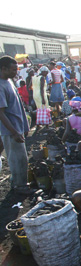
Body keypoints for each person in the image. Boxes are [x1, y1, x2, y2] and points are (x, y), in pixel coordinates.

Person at [0, 56, 32, 195]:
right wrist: (14, 132)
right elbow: (1, 113)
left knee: (22, 158)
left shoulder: (9, 81)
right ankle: (19, 187)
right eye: (13, 70)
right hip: (10, 130)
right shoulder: (0, 86)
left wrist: (24, 126)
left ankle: (19, 182)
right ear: (3, 69)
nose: (16, 72)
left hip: (17, 127)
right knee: (17, 159)